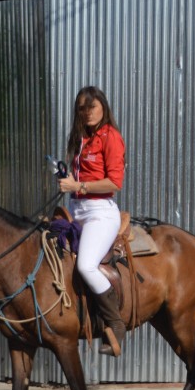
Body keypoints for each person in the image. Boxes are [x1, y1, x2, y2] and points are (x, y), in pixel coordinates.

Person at [57, 86, 128, 355]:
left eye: (92, 107)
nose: (88, 113)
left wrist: (79, 185)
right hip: (76, 209)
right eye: (82, 109)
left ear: (103, 107)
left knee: (86, 266)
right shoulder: (80, 138)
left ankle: (115, 326)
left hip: (100, 212)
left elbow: (114, 182)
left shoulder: (111, 137)